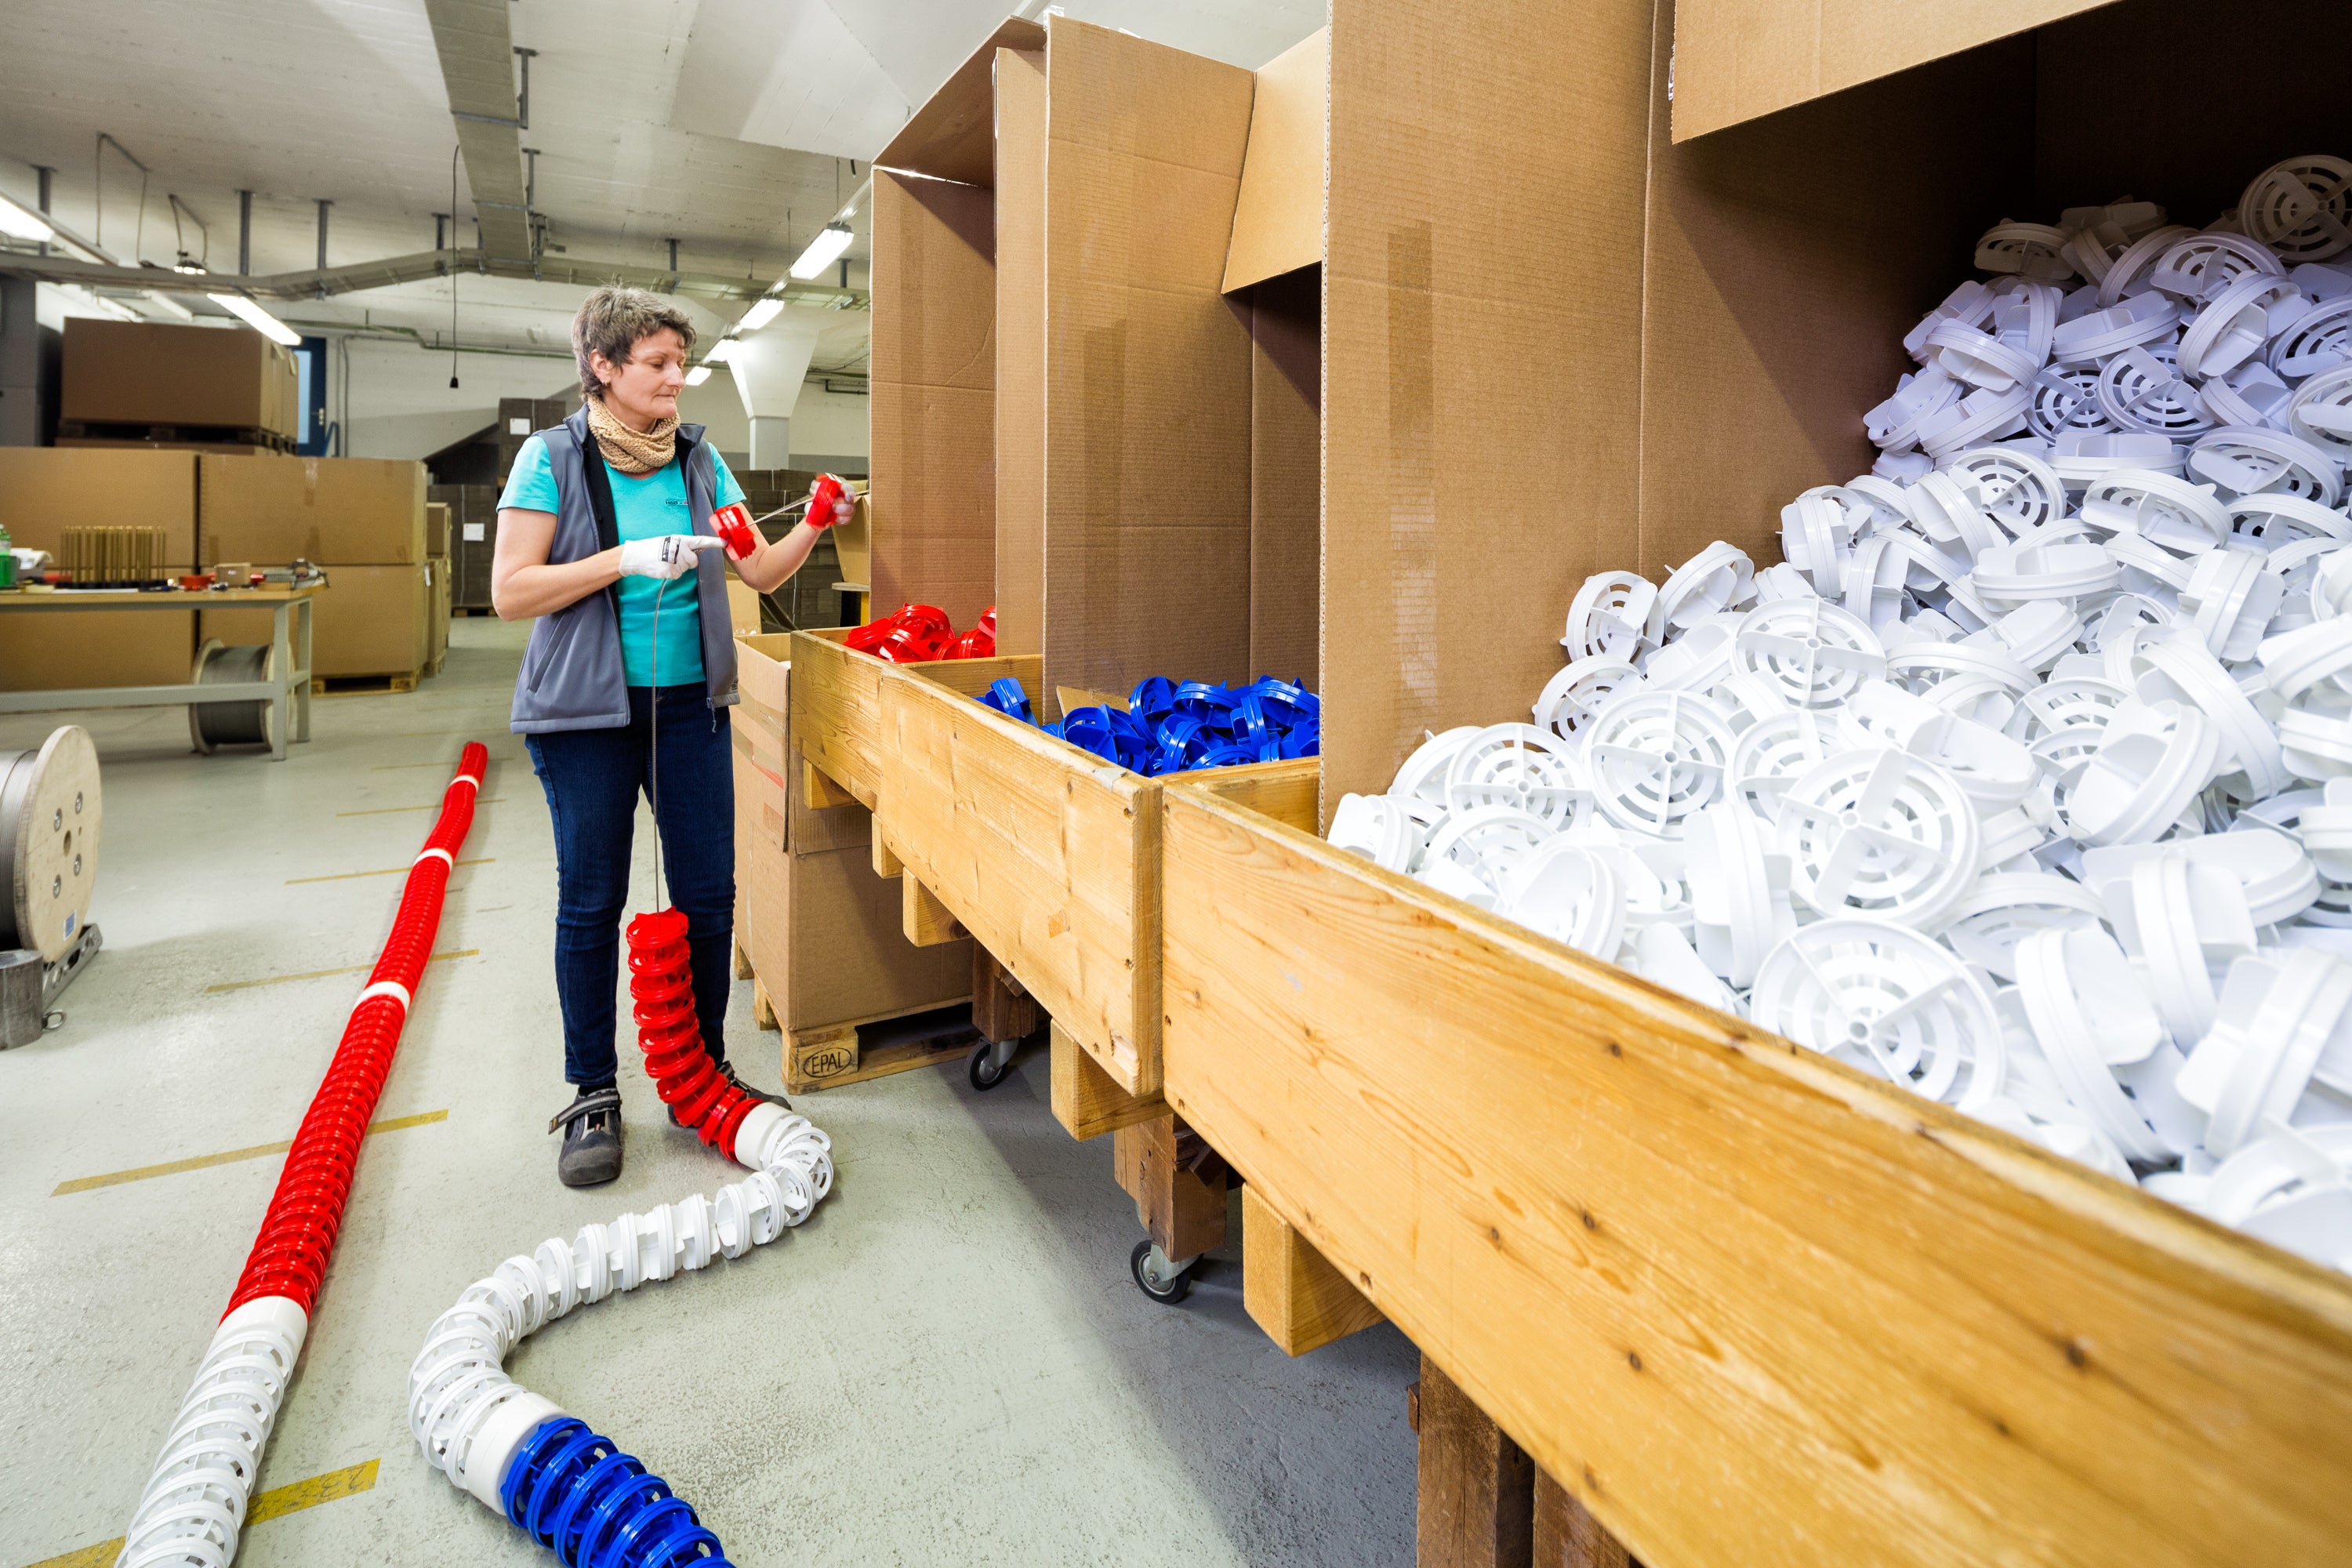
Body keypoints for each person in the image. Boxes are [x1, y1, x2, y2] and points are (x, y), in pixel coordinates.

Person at [491, 285, 852, 1186]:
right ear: (603, 368)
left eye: (679, 362)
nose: (675, 379)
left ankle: (702, 1075)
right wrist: (619, 560)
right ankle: (592, 1092)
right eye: (655, 363)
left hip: (690, 706)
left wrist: (813, 521)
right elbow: (510, 591)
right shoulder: (551, 460)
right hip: (586, 718)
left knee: (705, 892)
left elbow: (757, 566)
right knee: (593, 900)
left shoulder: (698, 461)